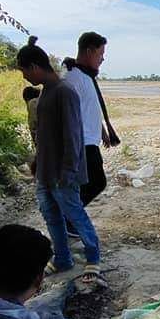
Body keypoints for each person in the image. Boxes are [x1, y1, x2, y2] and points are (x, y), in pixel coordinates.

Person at [16, 36, 104, 284]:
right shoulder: (46, 93)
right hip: (45, 171)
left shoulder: (65, 91)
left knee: (76, 215)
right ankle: (62, 257)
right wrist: (37, 162)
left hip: (62, 173)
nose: (25, 77)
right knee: (52, 217)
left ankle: (93, 258)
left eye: (24, 71)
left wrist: (68, 171)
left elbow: (73, 136)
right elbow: (45, 135)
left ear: (34, 67)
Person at [61, 32, 114, 235]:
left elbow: (90, 108)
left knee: (91, 182)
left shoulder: (86, 76)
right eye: (101, 53)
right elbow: (65, 112)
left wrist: (102, 131)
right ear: (89, 51)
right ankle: (68, 219)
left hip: (91, 139)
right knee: (96, 182)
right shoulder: (72, 78)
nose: (102, 58)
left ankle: (69, 218)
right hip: (80, 142)